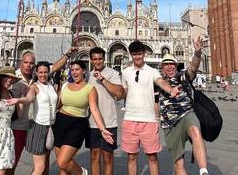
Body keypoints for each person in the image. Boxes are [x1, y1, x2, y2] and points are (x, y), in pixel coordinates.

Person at [122, 41, 181, 175]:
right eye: (134, 54)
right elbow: (123, 93)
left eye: (139, 54)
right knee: (131, 157)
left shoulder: (152, 71)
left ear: (144, 54)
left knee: (152, 157)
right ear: (131, 55)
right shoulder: (125, 72)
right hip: (130, 119)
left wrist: (171, 90)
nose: (137, 57)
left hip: (149, 119)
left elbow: (160, 82)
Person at [50, 60, 113, 175]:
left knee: (62, 162)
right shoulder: (65, 86)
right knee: (63, 168)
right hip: (60, 123)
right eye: (72, 70)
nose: (74, 72)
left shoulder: (90, 88)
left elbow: (94, 109)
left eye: (77, 69)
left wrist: (103, 129)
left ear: (83, 71)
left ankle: (82, 173)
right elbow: (58, 105)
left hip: (77, 125)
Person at [158, 37, 210, 175]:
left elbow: (193, 67)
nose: (169, 67)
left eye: (172, 64)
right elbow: (154, 103)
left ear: (176, 66)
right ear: (162, 68)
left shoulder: (183, 77)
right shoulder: (158, 82)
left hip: (186, 114)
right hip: (169, 124)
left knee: (195, 130)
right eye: (166, 64)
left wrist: (197, 53)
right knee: (178, 164)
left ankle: (204, 171)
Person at [4, 62, 58, 175]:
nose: (43, 75)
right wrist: (19, 100)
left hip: (50, 127)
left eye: (46, 72)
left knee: (43, 165)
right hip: (38, 127)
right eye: (40, 72)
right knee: (40, 167)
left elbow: (56, 104)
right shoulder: (34, 86)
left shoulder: (51, 86)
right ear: (36, 73)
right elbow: (29, 98)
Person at [87, 47, 124, 175]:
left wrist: (102, 79)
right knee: (94, 156)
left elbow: (119, 93)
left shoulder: (112, 73)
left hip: (109, 121)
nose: (98, 61)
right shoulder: (87, 75)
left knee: (107, 157)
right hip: (92, 123)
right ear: (91, 60)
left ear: (104, 58)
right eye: (95, 59)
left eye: (100, 59)